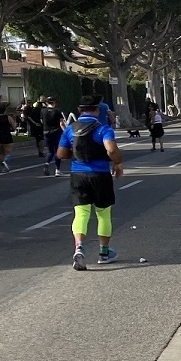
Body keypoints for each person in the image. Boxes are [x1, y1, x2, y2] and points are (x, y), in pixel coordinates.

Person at [56, 95, 124, 270]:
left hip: (78, 174)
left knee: (81, 214)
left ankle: (79, 247)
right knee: (103, 214)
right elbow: (110, 148)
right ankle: (104, 252)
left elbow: (61, 154)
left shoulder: (70, 129)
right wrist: (117, 162)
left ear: (79, 110)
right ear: (97, 110)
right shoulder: (103, 129)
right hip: (100, 174)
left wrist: (77, 155)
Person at [41, 96, 66, 176]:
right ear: (54, 102)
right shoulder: (57, 111)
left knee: (50, 151)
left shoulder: (43, 111)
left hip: (46, 132)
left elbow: (41, 121)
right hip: (56, 132)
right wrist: (65, 131)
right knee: (57, 151)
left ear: (46, 103)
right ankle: (57, 170)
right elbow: (61, 123)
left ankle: (46, 164)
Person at [0, 103, 17, 172]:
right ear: (5, 110)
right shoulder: (9, 118)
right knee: (8, 153)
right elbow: (14, 127)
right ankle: (6, 164)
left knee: (1, 153)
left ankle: (3, 164)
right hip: (6, 136)